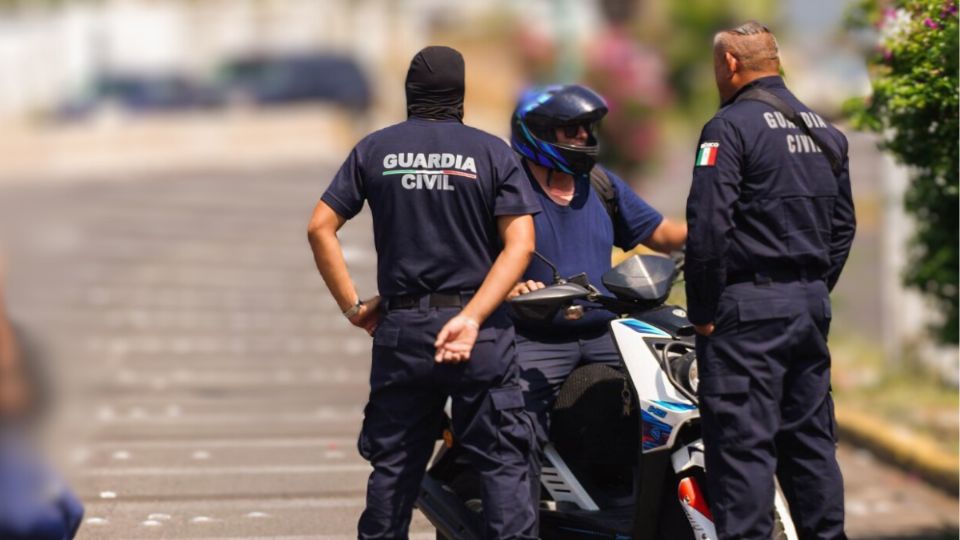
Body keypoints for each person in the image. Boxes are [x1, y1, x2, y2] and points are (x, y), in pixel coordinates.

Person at [307, 46, 541, 540]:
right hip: (477, 334)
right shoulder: (493, 151)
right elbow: (520, 246)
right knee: (502, 465)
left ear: (409, 93)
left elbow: (320, 227)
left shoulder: (374, 149)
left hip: (404, 331)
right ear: (461, 93)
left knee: (393, 470)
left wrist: (353, 306)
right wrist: (473, 318)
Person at [684, 21, 855, 540]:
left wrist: (704, 312)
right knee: (809, 447)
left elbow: (709, 228)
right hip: (807, 308)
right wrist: (812, 289)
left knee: (742, 453)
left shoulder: (729, 128)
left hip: (747, 314)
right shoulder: (825, 131)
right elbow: (843, 228)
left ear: (731, 64)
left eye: (718, 65)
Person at [506, 84, 687, 486]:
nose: (584, 138)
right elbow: (475, 258)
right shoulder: (507, 187)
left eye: (587, 129)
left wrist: (722, 223)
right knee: (517, 431)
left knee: (664, 400)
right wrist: (510, 289)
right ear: (539, 130)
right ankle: (516, 518)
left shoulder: (600, 184)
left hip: (605, 330)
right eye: (572, 130)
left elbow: (663, 234)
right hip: (536, 336)